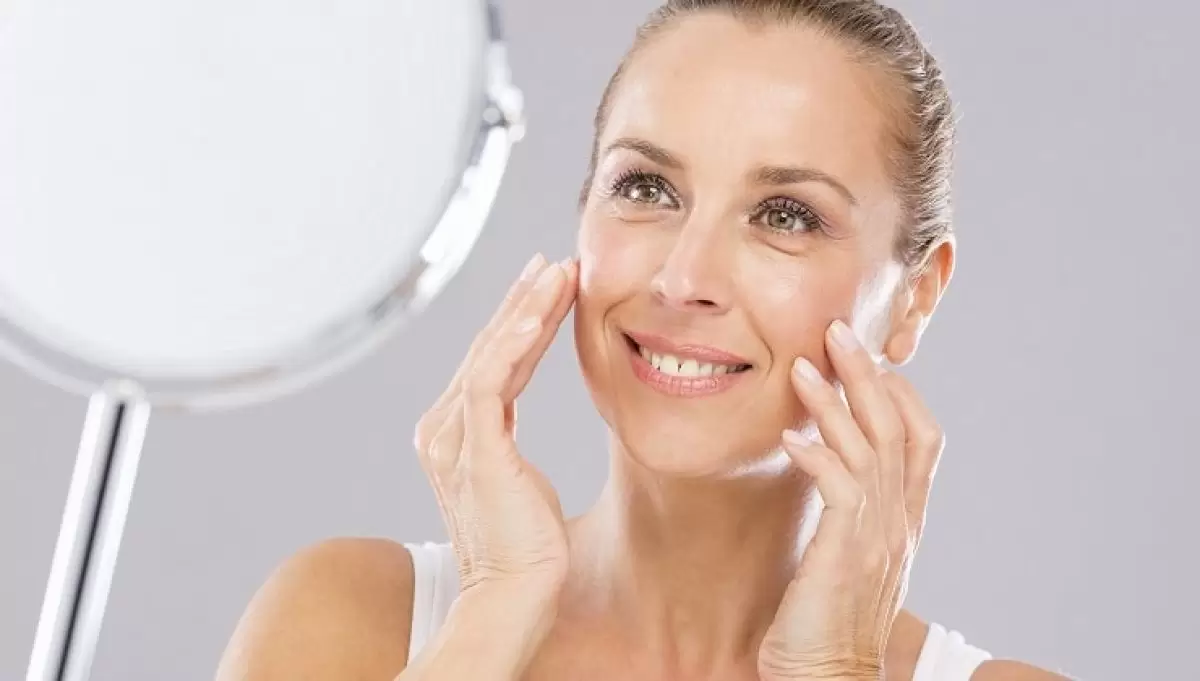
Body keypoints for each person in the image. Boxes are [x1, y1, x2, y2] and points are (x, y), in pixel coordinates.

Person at [214, 2, 1073, 679]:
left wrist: (834, 668)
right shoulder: (348, 624)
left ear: (916, 296)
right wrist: (495, 612)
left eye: (785, 215)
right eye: (648, 188)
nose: (683, 276)